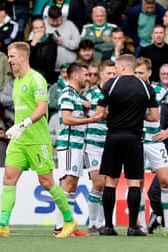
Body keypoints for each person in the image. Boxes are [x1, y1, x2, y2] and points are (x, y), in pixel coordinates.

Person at [0, 42, 79, 238]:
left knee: (47, 182)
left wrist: (23, 124)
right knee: (8, 178)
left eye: (12, 56)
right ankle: (2, 225)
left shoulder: (37, 79)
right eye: (8, 56)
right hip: (19, 140)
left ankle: (70, 221)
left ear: (23, 57)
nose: (9, 59)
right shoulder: (16, 82)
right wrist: (16, 128)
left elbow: (42, 108)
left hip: (37, 140)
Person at [95, 54, 159, 236]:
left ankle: (108, 226)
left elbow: (100, 113)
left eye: (116, 67)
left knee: (111, 181)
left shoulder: (111, 84)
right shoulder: (146, 87)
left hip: (113, 136)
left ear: (122, 67)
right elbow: (155, 116)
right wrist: (138, 116)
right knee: (133, 182)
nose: (114, 70)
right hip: (134, 138)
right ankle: (132, 227)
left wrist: (113, 115)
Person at [134, 57, 168, 236]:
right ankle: (140, 225)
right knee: (137, 183)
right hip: (136, 141)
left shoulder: (159, 90)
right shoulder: (130, 89)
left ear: (149, 72)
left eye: (141, 72)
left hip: (155, 140)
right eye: (135, 72)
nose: (138, 76)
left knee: (166, 180)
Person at [55, 62, 100, 236]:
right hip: (68, 143)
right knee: (67, 183)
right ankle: (59, 227)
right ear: (75, 76)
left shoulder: (76, 95)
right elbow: (66, 119)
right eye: (85, 75)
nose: (88, 78)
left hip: (77, 144)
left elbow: (75, 116)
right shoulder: (67, 93)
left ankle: (70, 226)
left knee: (73, 185)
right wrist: (90, 120)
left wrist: (86, 111)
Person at [84, 62, 112, 235]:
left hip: (110, 144)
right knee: (98, 182)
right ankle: (93, 222)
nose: (111, 75)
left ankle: (101, 223)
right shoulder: (90, 94)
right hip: (93, 143)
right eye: (108, 72)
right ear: (101, 74)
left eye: (114, 72)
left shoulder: (117, 94)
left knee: (107, 185)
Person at [44, 6, 80, 81]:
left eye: (58, 20)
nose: (56, 23)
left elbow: (77, 44)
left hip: (68, 69)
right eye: (53, 21)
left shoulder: (70, 25)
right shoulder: (42, 26)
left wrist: (63, 42)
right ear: (48, 18)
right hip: (47, 70)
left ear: (62, 17)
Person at [28, 18, 58, 84]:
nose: (39, 30)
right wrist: (33, 44)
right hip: (31, 79)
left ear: (45, 28)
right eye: (36, 28)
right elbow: (26, 61)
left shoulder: (52, 42)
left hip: (47, 79)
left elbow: (49, 64)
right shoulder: (29, 44)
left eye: (41, 27)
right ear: (33, 30)